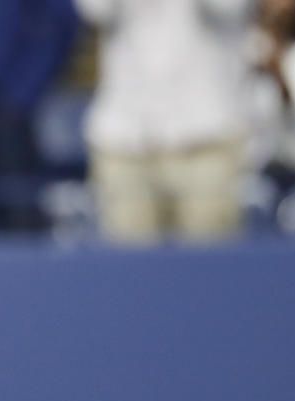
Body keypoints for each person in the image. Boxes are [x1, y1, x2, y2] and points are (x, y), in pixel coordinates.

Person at [76, 0, 254, 245]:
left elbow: (227, 7)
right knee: (128, 272)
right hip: (125, 139)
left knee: (210, 270)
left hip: (207, 135)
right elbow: (95, 10)